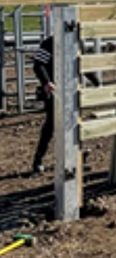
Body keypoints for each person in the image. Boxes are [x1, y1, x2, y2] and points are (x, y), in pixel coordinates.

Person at [31, 36, 98, 173]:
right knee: (51, 124)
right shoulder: (50, 43)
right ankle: (38, 159)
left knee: (74, 122)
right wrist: (46, 82)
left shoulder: (77, 42)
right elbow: (38, 64)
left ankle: (74, 157)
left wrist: (96, 81)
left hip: (71, 90)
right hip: (54, 90)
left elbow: (82, 64)